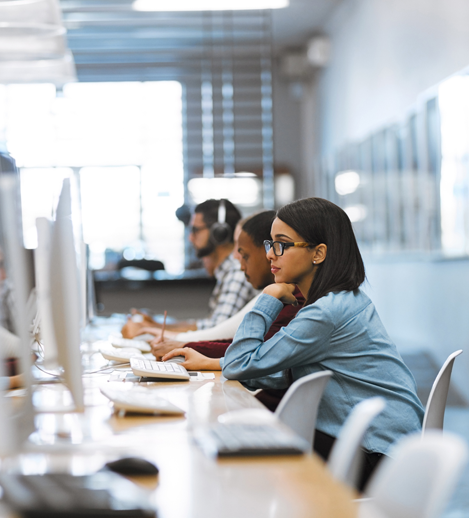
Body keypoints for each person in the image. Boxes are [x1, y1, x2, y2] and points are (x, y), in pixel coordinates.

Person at [164, 197, 425, 489]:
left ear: (318, 253)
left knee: (243, 462)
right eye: (270, 244)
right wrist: (218, 363)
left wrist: (268, 298)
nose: (270, 255)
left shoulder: (325, 312)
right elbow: (284, 370)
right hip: (388, 446)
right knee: (241, 445)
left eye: (282, 244)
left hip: (376, 455)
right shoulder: (339, 301)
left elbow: (241, 364)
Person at [151, 210, 303, 365]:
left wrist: (188, 349)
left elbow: (252, 354)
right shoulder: (286, 294)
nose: (270, 254)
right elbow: (247, 347)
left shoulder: (296, 300)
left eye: (280, 246)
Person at [122, 199, 256, 337]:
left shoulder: (237, 272)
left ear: (219, 233)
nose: (190, 238)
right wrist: (155, 325)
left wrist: (150, 330)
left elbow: (216, 332)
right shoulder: (227, 272)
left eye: (195, 230)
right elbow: (209, 325)